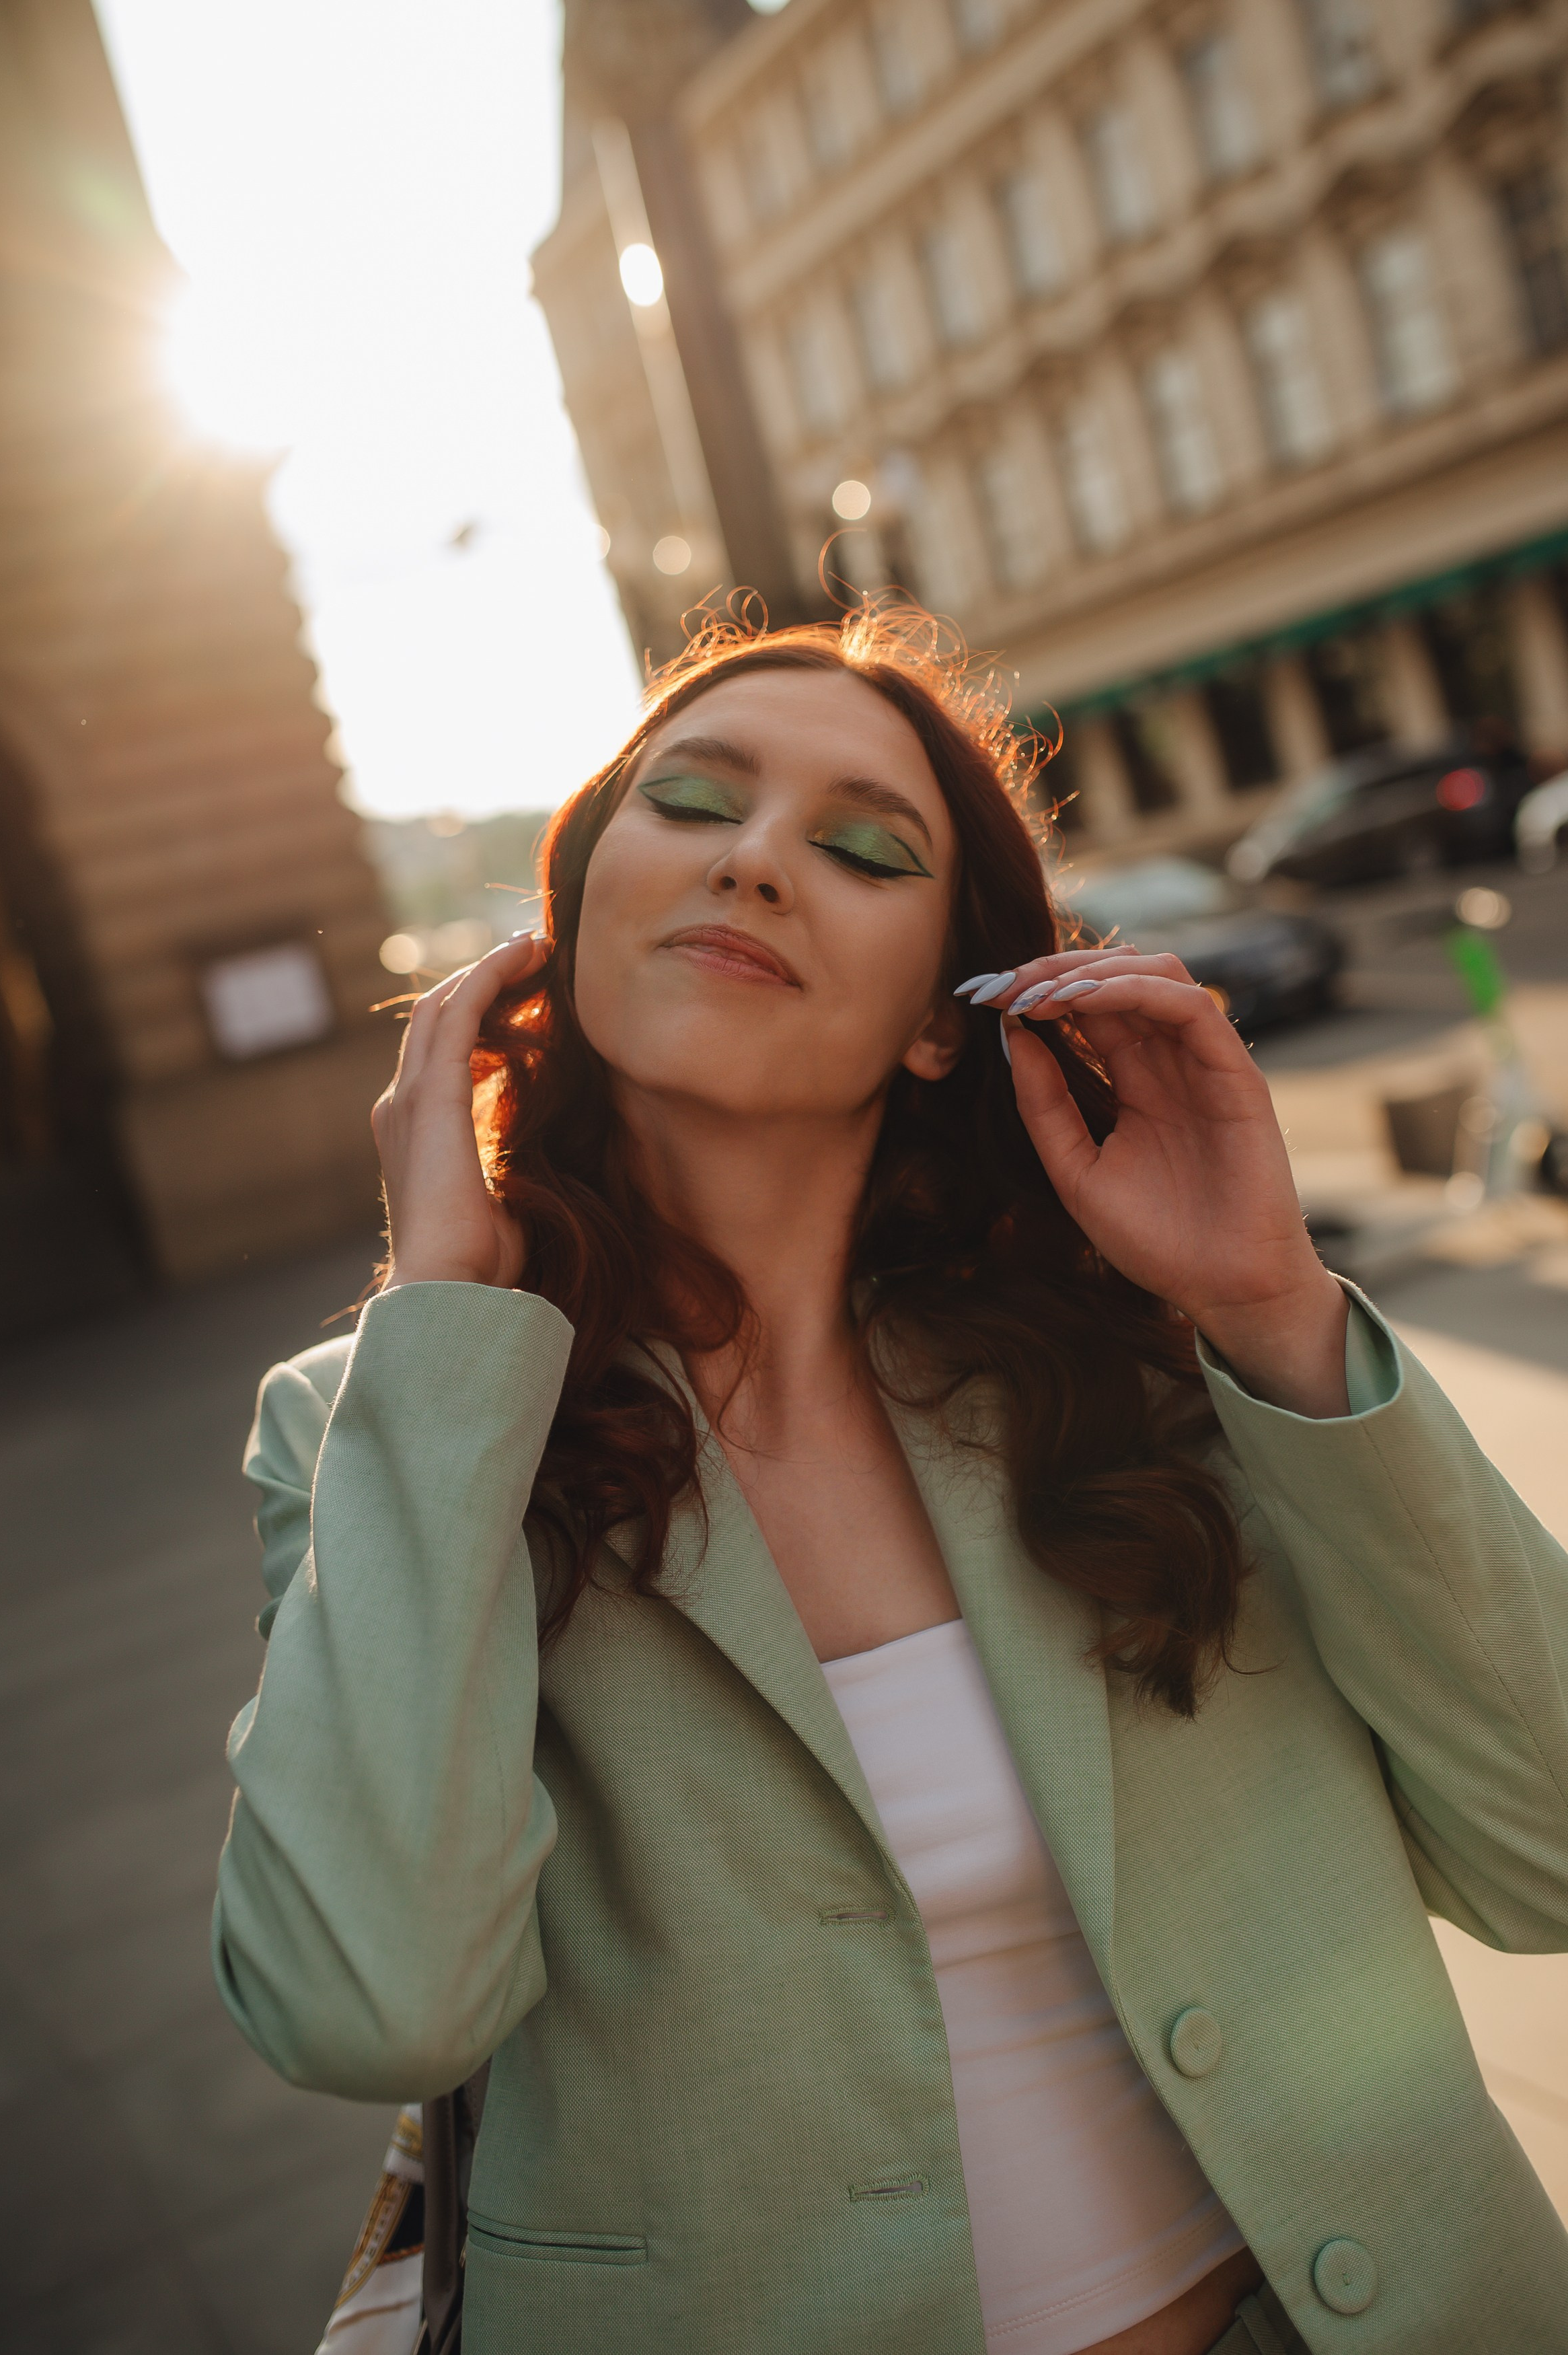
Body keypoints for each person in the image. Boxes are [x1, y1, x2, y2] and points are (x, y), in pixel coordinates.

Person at [215, 606, 1568, 2355]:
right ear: (574, 917)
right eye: (694, 804)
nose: (761, 862)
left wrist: (1271, 1301)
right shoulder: (384, 1423)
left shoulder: (1142, 1364)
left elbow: (1549, 1847)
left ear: (944, 1019)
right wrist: (444, 1323)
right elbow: (366, 2005)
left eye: (862, 845)